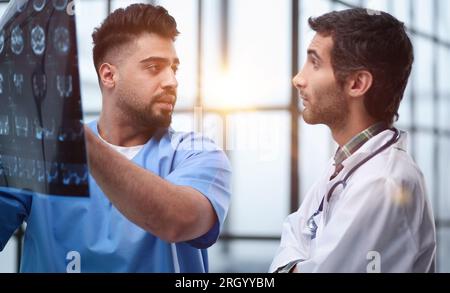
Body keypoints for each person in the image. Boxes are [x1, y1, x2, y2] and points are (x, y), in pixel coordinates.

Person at [0, 4, 231, 273]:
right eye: (154, 67)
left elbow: (178, 220)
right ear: (109, 75)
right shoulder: (39, 152)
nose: (172, 81)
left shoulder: (197, 154)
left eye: (174, 68)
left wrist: (69, 133)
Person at [270, 8, 436, 273]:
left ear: (357, 84)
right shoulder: (347, 164)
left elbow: (297, 251)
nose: (298, 79)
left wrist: (295, 261)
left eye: (315, 63)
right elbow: (292, 231)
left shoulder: (382, 182)